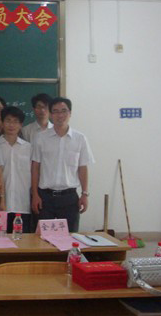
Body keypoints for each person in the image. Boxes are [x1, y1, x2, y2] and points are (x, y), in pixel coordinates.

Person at [31, 97, 94, 233]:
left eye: (64, 111)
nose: (60, 115)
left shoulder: (80, 139)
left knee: (70, 237)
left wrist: (85, 194)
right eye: (55, 111)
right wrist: (35, 194)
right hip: (45, 198)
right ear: (50, 114)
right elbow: (35, 167)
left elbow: (83, 168)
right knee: (42, 238)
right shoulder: (40, 138)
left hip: (69, 199)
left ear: (70, 113)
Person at [0, 106, 32, 233]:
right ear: (2, 122)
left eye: (16, 121)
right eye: (8, 120)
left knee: (21, 241)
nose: (11, 125)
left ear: (21, 125)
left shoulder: (29, 148)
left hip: (23, 204)